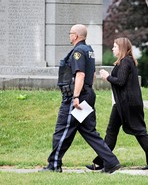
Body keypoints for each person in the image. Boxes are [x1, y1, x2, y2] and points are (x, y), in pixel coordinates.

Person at [39, 24, 121, 173]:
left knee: (62, 131)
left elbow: (80, 75)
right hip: (88, 94)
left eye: (70, 33)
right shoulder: (89, 50)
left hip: (77, 97)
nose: (69, 35)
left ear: (76, 35)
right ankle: (111, 162)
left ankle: (54, 165)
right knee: (89, 131)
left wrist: (76, 97)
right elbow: (93, 75)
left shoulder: (78, 51)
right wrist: (87, 92)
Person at [86, 37, 148, 171]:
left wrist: (107, 77)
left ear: (121, 48)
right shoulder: (125, 61)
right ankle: (102, 162)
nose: (113, 48)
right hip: (123, 103)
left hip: (128, 104)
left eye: (115, 46)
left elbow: (120, 81)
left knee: (139, 131)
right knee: (111, 132)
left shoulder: (126, 61)